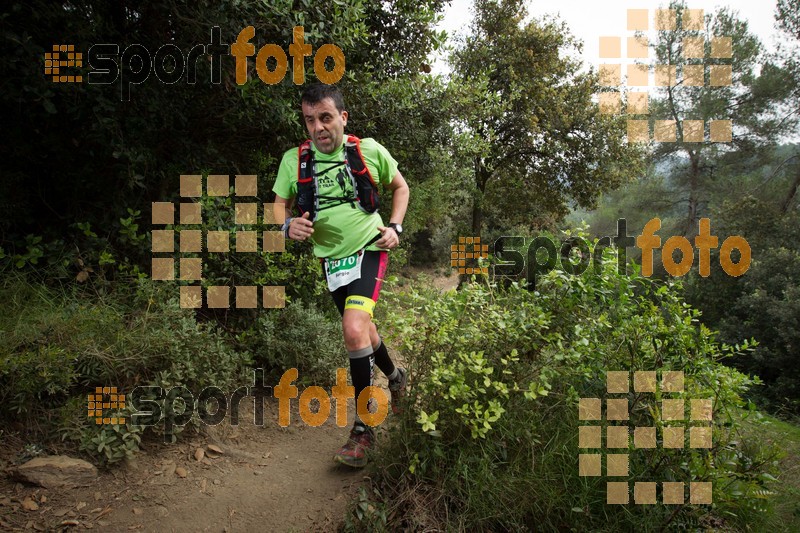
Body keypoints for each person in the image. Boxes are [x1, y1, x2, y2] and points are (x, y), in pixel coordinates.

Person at [272, 83, 410, 467]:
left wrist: (395, 228)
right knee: (363, 331)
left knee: (352, 329)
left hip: (370, 247)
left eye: (325, 117)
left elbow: (401, 187)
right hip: (331, 261)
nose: (317, 127)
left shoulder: (366, 150)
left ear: (343, 118)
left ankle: (365, 429)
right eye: (310, 120)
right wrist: (286, 227)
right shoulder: (294, 160)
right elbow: (277, 206)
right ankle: (397, 378)